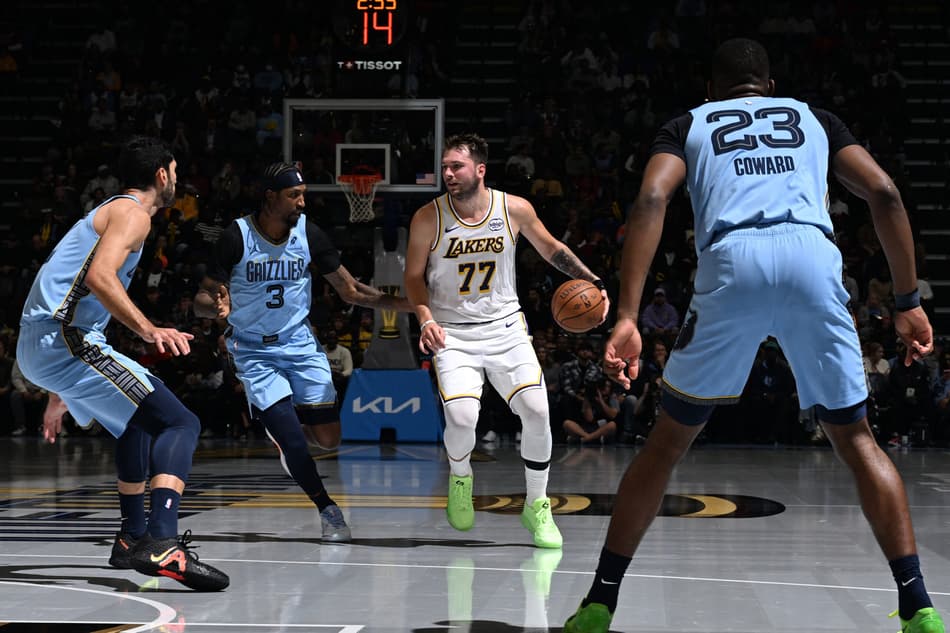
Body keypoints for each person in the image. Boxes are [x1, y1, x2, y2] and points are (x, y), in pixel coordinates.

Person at [565, 39, 941, 633]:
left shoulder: (689, 123)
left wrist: (629, 315)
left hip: (732, 263)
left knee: (665, 446)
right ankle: (919, 606)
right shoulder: (815, 118)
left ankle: (599, 603)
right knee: (859, 441)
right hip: (811, 259)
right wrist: (907, 302)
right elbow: (885, 193)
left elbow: (653, 197)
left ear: (711, 91)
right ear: (769, 87)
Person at [16, 136, 228, 591]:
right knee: (180, 422)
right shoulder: (133, 214)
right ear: (161, 175)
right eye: (175, 172)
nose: (177, 181)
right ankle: (163, 541)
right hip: (63, 340)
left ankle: (131, 537)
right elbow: (99, 277)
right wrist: (150, 330)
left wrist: (58, 391)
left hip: (47, 345)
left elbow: (68, 283)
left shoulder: (110, 211)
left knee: (138, 424)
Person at [404, 132, 609, 548]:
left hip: (505, 328)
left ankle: (537, 505)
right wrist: (425, 318)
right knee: (462, 419)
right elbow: (412, 276)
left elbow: (552, 249)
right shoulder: (428, 217)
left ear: (480, 169)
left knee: (537, 411)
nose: (448, 173)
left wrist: (594, 281)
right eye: (444, 167)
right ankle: (460, 478)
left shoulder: (513, 208)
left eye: (456, 166)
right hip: (452, 332)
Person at [195, 161, 412, 542]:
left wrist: (413, 305)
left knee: (328, 439)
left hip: (300, 344)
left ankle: (289, 435)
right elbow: (200, 300)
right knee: (293, 439)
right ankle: (328, 509)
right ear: (270, 197)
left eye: (303, 195)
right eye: (294, 195)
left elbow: (351, 291)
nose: (302, 202)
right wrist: (214, 307)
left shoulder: (309, 234)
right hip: (253, 351)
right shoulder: (236, 236)